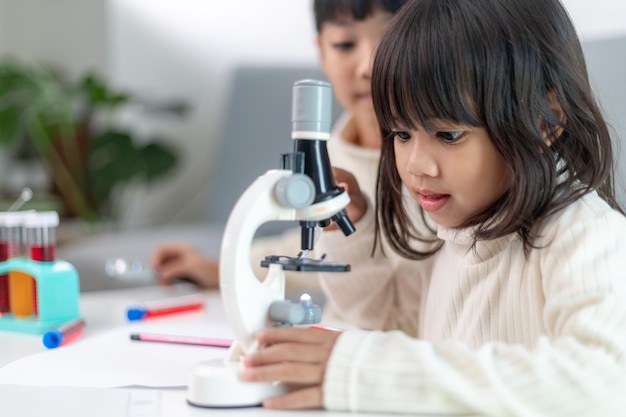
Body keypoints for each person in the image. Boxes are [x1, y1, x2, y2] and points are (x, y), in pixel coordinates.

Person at [238, 0, 626, 414]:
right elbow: (389, 319)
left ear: (545, 120)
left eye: (448, 134)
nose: (415, 165)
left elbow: (606, 379)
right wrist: (359, 229)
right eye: (401, 133)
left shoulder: (587, 234)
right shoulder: (457, 232)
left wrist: (367, 370)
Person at [150, 0, 409, 297]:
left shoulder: (434, 162)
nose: (369, 66)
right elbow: (316, 248)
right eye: (345, 44)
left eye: (390, 41)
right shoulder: (332, 153)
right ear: (321, 51)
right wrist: (221, 266)